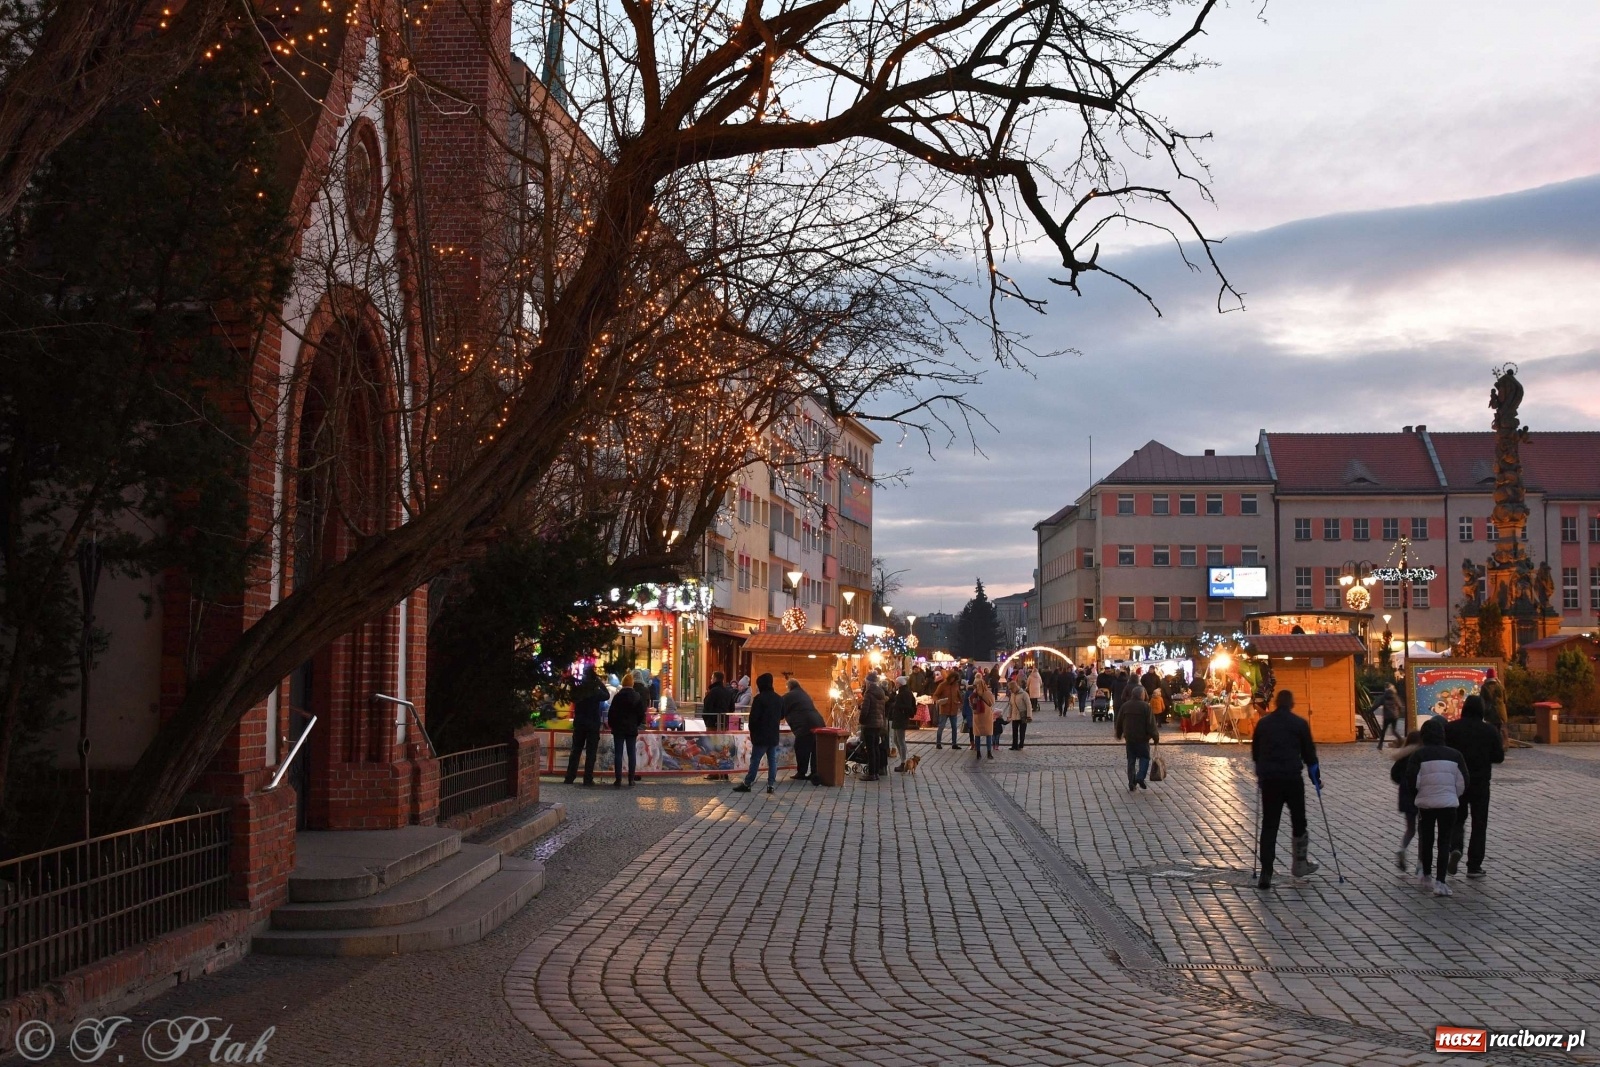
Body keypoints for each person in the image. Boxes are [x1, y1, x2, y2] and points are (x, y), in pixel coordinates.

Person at [1251, 690, 1321, 889]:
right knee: (1299, 820)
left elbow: (1255, 752)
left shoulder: (1264, 724)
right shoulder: (1299, 724)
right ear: (1291, 704)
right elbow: (1310, 755)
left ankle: (1266, 871)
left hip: (1270, 780)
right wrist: (1316, 778)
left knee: (1269, 824)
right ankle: (1300, 864)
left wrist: (1260, 772)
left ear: (1275, 703)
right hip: (1292, 778)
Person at [1405, 715, 1468, 897]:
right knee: (1444, 842)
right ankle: (1441, 882)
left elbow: (1412, 779)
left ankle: (1426, 875)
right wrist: (1453, 795)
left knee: (1427, 840)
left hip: (1426, 804)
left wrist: (1419, 795)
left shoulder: (1418, 755)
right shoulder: (1455, 755)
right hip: (1448, 804)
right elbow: (1463, 781)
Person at [1445, 695, 1505, 879]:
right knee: (1479, 823)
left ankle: (1455, 848)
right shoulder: (1489, 730)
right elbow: (1499, 757)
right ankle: (1474, 865)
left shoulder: (1450, 728)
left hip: (1457, 781)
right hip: (1480, 783)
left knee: (1457, 820)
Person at [734, 673, 784, 795]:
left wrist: (753, 733)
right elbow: (782, 715)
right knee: (772, 760)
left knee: (755, 759)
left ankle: (748, 783)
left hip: (761, 735)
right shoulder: (778, 698)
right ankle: (771, 785)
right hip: (773, 734)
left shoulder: (759, 699)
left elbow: (753, 719)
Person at [1114, 682, 1159, 792]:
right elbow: (1151, 724)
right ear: (1142, 695)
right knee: (1144, 757)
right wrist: (1155, 737)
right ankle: (1140, 777)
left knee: (1131, 760)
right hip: (1142, 738)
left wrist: (1119, 733)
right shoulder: (1145, 707)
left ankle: (1131, 782)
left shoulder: (1125, 706)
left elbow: (1119, 721)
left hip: (1129, 737)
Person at [564, 667, 605, 785]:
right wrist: (600, 683)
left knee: (576, 751)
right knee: (591, 753)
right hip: (593, 724)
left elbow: (571, 697)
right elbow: (606, 695)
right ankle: (588, 778)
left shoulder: (579, 689)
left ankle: (569, 777)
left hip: (580, 723)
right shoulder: (595, 690)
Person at [1388, 728, 1422, 870]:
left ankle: (1402, 849)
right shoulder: (1421, 754)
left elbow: (1394, 775)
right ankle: (1421, 863)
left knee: (1410, 829)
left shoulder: (1403, 756)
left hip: (1405, 795)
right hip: (1420, 794)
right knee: (1423, 831)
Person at [607, 672, 648, 788]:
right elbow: (641, 714)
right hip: (631, 728)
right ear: (632, 683)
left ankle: (618, 779)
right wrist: (636, 724)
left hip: (618, 728)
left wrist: (612, 725)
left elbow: (612, 713)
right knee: (632, 754)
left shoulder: (617, 697)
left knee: (618, 754)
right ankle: (631, 779)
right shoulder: (637, 697)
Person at [782, 679, 825, 783]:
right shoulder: (804, 694)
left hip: (805, 725)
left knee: (801, 748)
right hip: (818, 722)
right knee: (815, 749)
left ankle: (801, 772)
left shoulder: (790, 695)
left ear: (789, 687)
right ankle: (814, 772)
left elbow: (780, 709)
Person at [858, 672, 889, 781]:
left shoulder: (869, 693)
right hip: (878, 724)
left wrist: (861, 720)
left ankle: (871, 773)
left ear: (869, 682)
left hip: (870, 724)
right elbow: (882, 710)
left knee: (870, 749)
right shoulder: (880, 692)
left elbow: (865, 710)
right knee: (876, 748)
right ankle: (876, 772)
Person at [890, 675, 918, 772]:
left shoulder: (905, 693)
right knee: (896, 740)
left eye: (897, 683)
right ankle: (903, 760)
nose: (896, 684)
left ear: (900, 684)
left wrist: (897, 706)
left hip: (901, 719)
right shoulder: (902, 692)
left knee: (900, 740)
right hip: (898, 718)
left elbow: (907, 706)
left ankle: (904, 762)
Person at [934, 668, 963, 750]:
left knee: (954, 727)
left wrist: (961, 703)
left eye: (955, 679)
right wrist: (938, 701)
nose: (954, 681)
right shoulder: (942, 685)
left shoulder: (956, 685)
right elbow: (935, 695)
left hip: (953, 709)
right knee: (941, 726)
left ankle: (954, 744)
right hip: (944, 708)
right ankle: (938, 743)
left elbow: (958, 694)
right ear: (950, 678)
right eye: (953, 679)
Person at [969, 674, 996, 760]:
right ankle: (989, 753)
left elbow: (971, 704)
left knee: (977, 734)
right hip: (987, 715)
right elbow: (992, 702)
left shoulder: (974, 694)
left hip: (977, 715)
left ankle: (978, 753)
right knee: (988, 734)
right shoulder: (987, 693)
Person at [1479, 668, 1508, 744]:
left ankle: (1493, 745)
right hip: (1501, 713)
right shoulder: (1500, 686)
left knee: (1491, 730)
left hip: (1490, 713)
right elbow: (1505, 700)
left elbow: (1481, 700)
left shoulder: (1484, 687)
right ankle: (1501, 745)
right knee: (1500, 729)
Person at [1008, 672, 1033, 750]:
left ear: (1015, 687)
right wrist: (1009, 715)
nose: (1011, 691)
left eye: (1011, 689)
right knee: (1014, 731)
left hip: (1023, 715)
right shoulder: (1012, 694)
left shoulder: (1024, 694)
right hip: (1015, 716)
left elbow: (1029, 705)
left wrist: (1029, 715)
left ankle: (1021, 745)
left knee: (1022, 732)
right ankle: (1014, 745)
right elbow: (1011, 705)